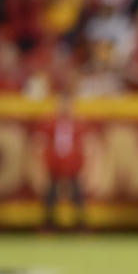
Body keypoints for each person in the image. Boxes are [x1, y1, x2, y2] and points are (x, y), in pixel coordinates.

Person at [38, 90, 87, 230]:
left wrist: (83, 166)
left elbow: (84, 146)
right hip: (55, 165)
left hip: (72, 165)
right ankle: (48, 224)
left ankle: (81, 224)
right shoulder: (50, 123)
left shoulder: (78, 123)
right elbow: (41, 143)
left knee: (78, 196)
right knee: (50, 196)